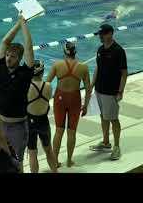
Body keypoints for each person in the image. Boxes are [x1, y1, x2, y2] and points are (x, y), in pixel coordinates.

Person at [0, 13, 35, 172]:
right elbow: (5, 41)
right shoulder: (1, 67)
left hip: (17, 126)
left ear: (20, 59)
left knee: (16, 162)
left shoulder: (25, 73)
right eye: (8, 55)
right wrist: (18, 22)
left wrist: (24, 24)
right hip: (0, 123)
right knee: (1, 159)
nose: (9, 58)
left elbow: (29, 47)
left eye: (13, 56)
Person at [46, 42, 92, 168]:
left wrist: (44, 102)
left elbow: (47, 84)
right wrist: (86, 105)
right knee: (72, 132)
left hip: (59, 99)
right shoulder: (83, 67)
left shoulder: (57, 65)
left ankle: (54, 161)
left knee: (59, 131)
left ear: (64, 52)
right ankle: (69, 160)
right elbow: (88, 89)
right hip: (75, 100)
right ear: (75, 52)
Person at [89, 24, 127, 160]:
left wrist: (120, 91)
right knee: (103, 117)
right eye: (100, 34)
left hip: (111, 92)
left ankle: (117, 147)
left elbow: (124, 73)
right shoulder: (100, 49)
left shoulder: (118, 51)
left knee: (113, 119)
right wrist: (92, 84)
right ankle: (106, 142)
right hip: (99, 90)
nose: (100, 36)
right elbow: (98, 68)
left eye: (103, 34)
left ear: (110, 34)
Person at [27, 60, 58, 173]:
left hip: (30, 122)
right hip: (43, 121)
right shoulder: (48, 86)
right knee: (49, 150)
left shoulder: (27, 88)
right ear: (42, 72)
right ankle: (55, 171)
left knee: (32, 153)